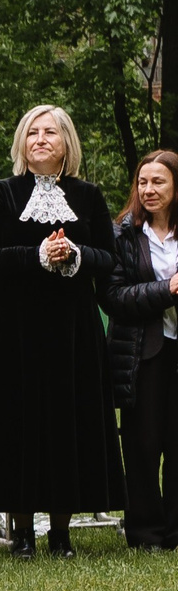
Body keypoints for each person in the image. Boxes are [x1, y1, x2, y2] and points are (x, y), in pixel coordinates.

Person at [0, 104, 122, 558]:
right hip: (13, 326)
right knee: (17, 417)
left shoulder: (89, 195)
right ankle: (21, 531)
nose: (40, 139)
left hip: (72, 327)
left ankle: (61, 530)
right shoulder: (1, 194)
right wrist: (36, 254)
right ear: (22, 142)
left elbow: (108, 257)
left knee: (67, 419)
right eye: (32, 132)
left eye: (49, 132)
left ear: (65, 142)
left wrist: (74, 253)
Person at [104, 150, 178, 549]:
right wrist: (167, 289)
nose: (148, 190)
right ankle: (146, 532)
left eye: (159, 182)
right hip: (141, 353)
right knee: (143, 446)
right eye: (142, 182)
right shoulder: (123, 234)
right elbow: (113, 296)